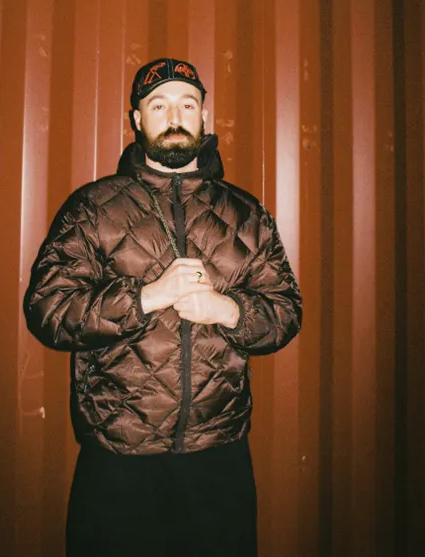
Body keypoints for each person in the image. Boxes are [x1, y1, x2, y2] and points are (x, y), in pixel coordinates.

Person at [24, 57, 302, 557]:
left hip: (218, 458)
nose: (175, 117)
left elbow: (285, 313)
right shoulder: (93, 208)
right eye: (159, 105)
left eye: (187, 104)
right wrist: (146, 298)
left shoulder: (245, 213)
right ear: (137, 119)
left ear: (204, 115)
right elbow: (49, 310)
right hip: (119, 461)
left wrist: (227, 311)